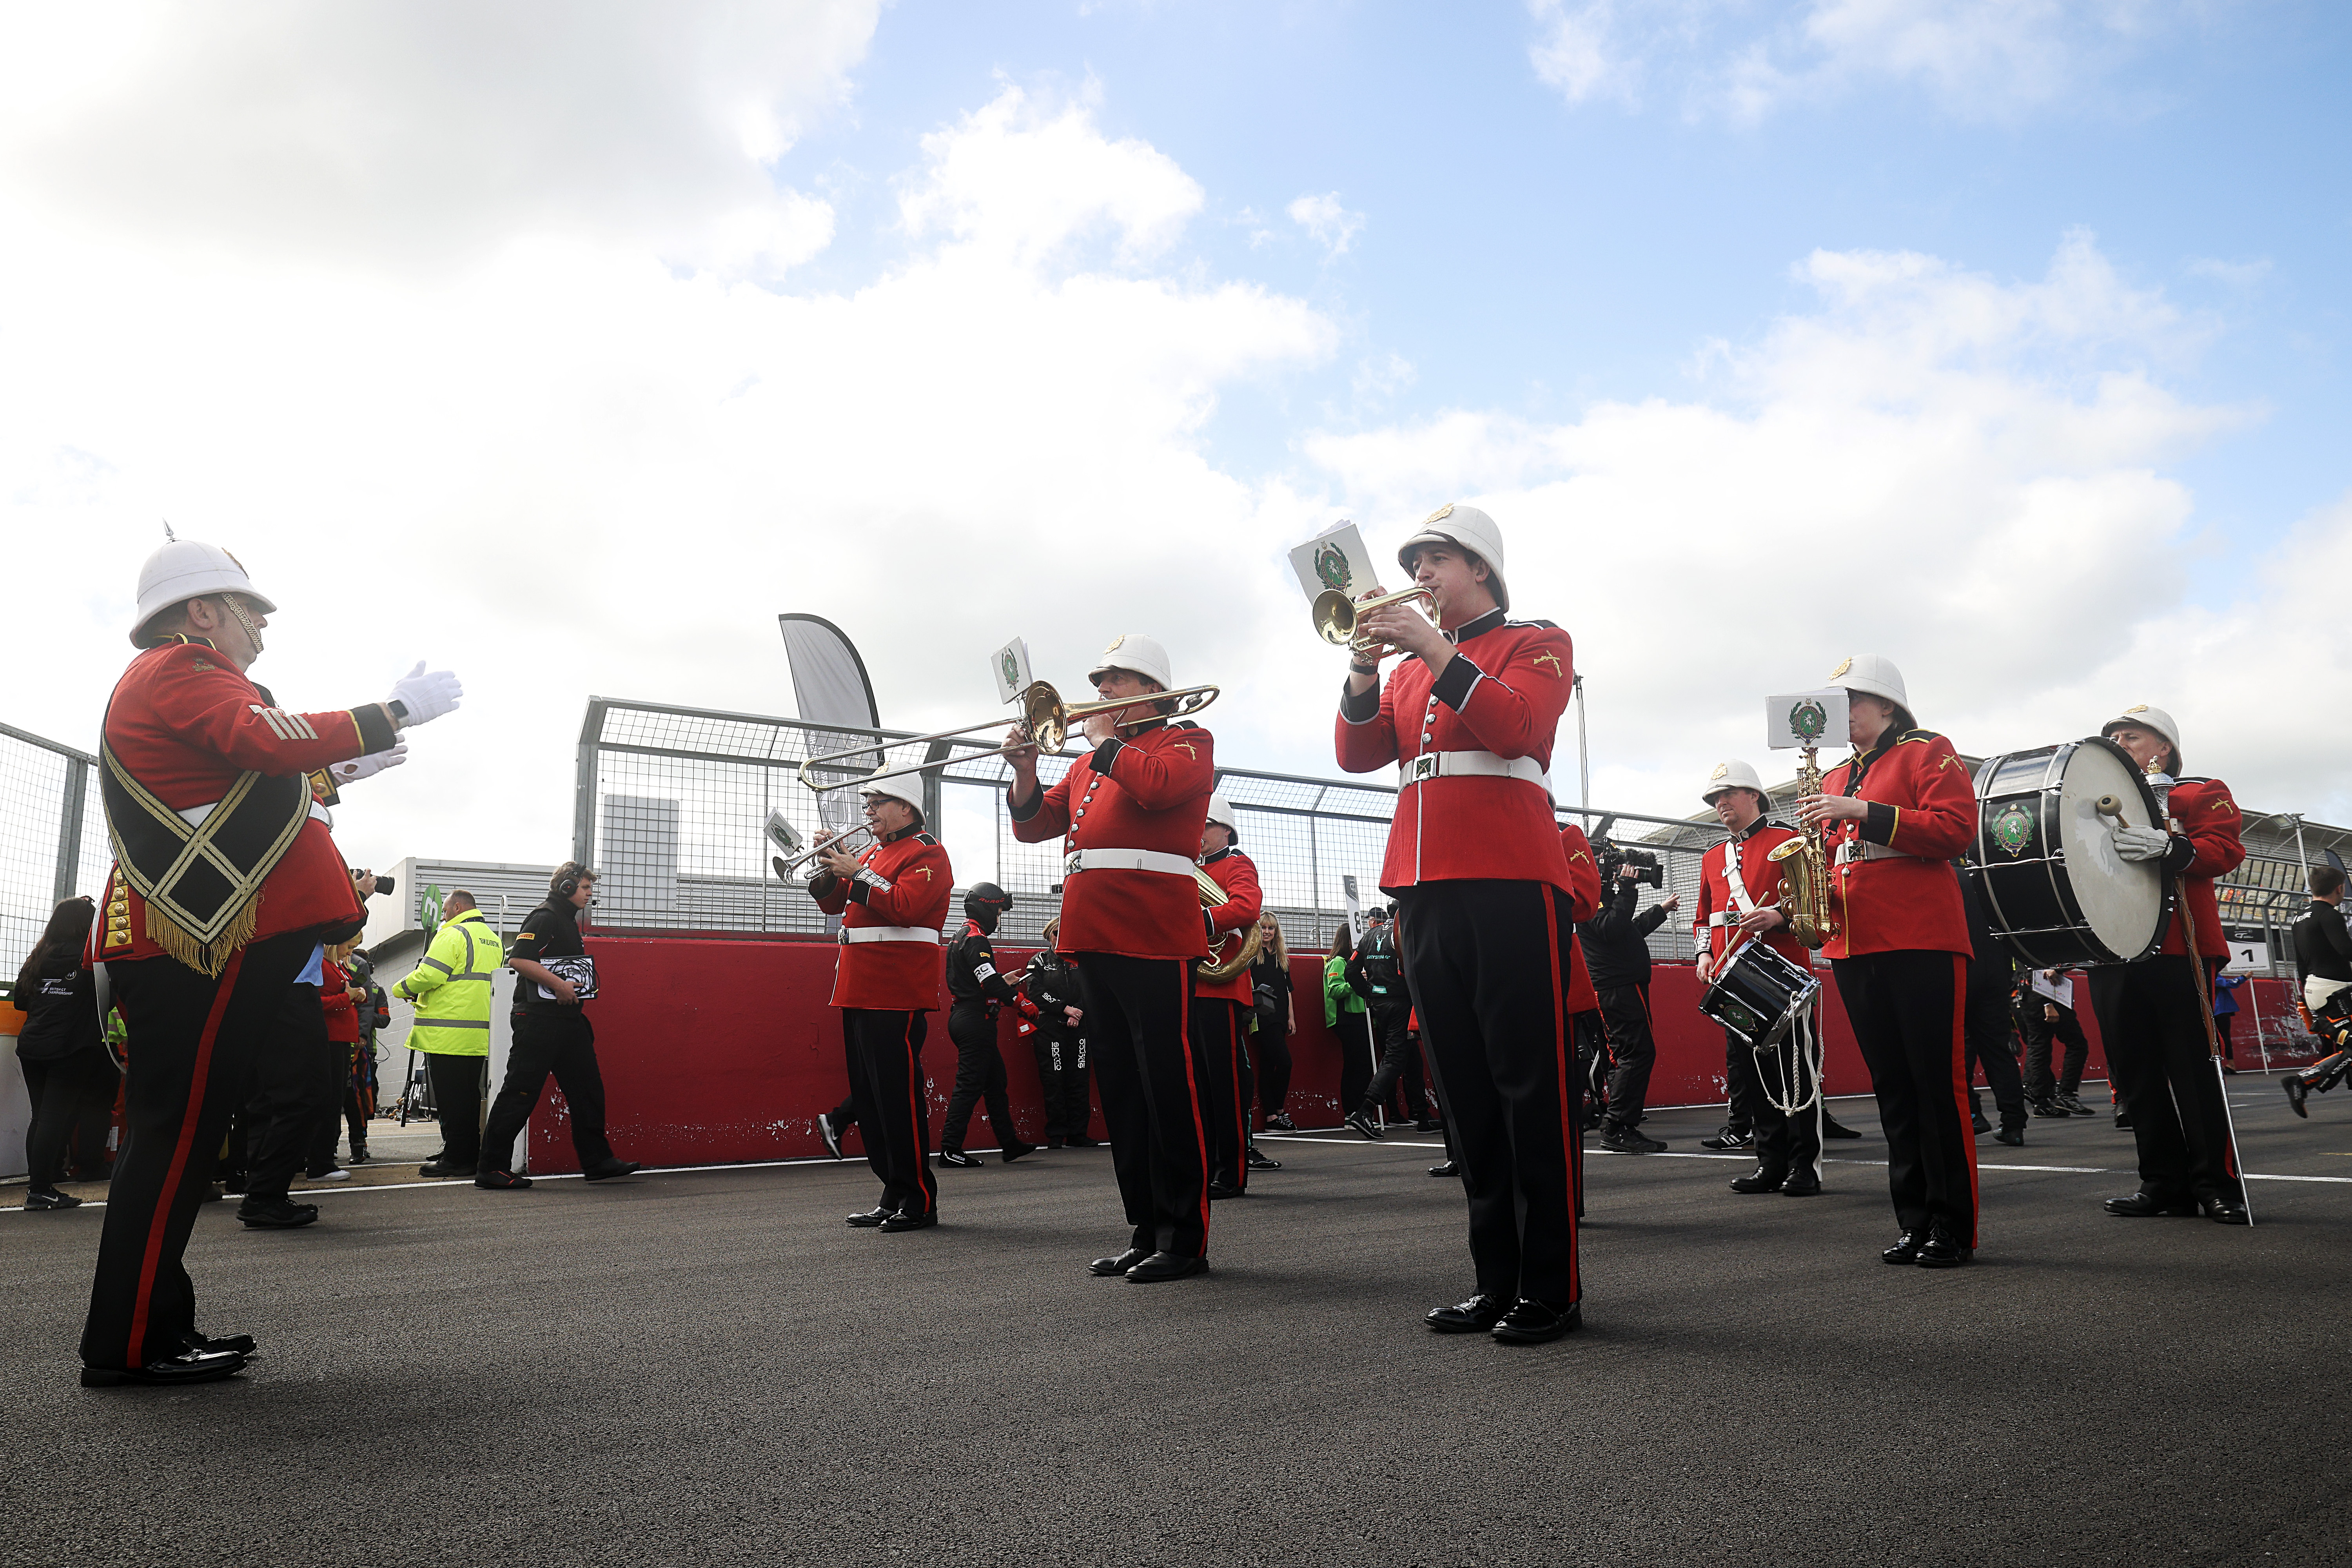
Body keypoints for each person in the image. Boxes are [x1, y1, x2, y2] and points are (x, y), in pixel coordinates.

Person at [80, 536, 457, 1387]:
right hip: (196, 943)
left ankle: (150, 1328)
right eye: (252, 609)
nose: (262, 627)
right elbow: (255, 738)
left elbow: (239, 792)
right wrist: (389, 711)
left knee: (180, 1136)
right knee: (174, 1139)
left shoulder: (179, 678)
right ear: (203, 610)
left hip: (202, 939)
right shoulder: (182, 666)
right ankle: (132, 1339)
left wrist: (341, 765)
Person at [1337, 502, 1584, 1343]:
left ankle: (1551, 1285)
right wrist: (1367, 668)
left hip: (1512, 881)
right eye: (1416, 560)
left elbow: (1518, 728)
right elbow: (1358, 754)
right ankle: (1496, 1279)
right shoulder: (1410, 668)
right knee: (1467, 1093)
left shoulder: (1538, 639)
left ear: (1480, 566)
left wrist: (1433, 648)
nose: (1420, 574)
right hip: (1422, 884)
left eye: (1435, 558)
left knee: (1529, 1086)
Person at [1006, 632, 1217, 1283]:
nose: (1099, 693)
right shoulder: (1089, 761)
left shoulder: (1186, 740)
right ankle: (1146, 1227)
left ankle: (1185, 1237)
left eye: (1116, 681)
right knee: (1122, 1089)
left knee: (1167, 1086)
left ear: (1153, 690)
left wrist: (1102, 742)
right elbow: (1035, 824)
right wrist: (1022, 771)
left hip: (1153, 931)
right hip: (1093, 932)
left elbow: (1155, 790)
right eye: (1099, 683)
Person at [1796, 654, 1978, 1269]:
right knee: (1893, 1089)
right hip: (1855, 939)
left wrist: (1862, 812)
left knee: (1936, 1084)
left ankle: (1953, 1224)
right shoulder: (1837, 773)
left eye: (1852, 702)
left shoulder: (1927, 750)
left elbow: (1955, 830)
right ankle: (1916, 1219)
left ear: (1887, 707)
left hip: (1920, 933)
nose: (1841, 716)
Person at [2087, 705, 2248, 1223]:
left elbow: (2224, 849)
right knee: (2134, 1073)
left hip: (2180, 945)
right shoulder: (2086, 803)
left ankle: (2215, 1183)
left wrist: (2173, 847)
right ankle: (2162, 1182)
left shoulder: (2198, 792)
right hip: (2112, 947)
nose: (2118, 743)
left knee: (2193, 1070)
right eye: (2111, 737)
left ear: (2163, 748)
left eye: (2130, 737)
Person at [804, 772, 952, 1229]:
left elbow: (906, 906)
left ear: (905, 808)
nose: (867, 811)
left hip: (896, 988)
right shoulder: (871, 852)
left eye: (876, 803)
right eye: (867, 803)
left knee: (897, 1099)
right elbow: (833, 905)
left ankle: (919, 1197)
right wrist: (830, 866)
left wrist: (857, 872)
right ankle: (892, 1188)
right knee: (869, 1097)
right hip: (859, 984)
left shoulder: (928, 850)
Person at [1691, 760, 1825, 1195]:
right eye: (1715, 798)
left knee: (1795, 1074)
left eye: (1729, 793)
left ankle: (1805, 1165)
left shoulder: (1788, 840)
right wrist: (1704, 954)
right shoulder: (1712, 857)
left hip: (1782, 977)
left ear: (1755, 796)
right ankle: (1770, 1162)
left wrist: (1779, 916)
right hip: (1733, 981)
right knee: (1753, 1075)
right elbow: (1702, 919)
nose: (1721, 803)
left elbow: (1816, 905)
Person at [477, 864, 644, 1192]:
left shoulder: (565, 921)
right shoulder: (545, 917)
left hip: (566, 1022)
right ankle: (491, 1168)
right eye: (585, 888)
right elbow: (520, 960)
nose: (589, 894)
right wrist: (560, 986)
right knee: (520, 1092)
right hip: (538, 1021)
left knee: (588, 1090)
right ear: (566, 887)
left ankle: (597, 1161)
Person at [13, 897, 116, 1211]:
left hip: (32, 1047)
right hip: (70, 1049)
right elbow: (108, 1001)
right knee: (54, 1120)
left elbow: (20, 1001)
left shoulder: (39, 956)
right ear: (88, 925)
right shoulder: (90, 961)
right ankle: (40, 1190)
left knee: (41, 1118)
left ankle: (43, 1181)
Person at [1581, 833, 1678, 1156]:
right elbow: (1610, 927)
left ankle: (1621, 1125)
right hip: (1615, 987)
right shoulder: (1588, 894)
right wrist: (1627, 888)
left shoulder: (1605, 894)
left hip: (1623, 985)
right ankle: (1619, 1127)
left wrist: (1659, 911)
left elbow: (1627, 932)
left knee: (1634, 1053)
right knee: (1634, 1054)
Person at [394, 889, 502, 1179]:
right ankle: (467, 1154)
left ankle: (457, 1159)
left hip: (447, 1035)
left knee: (452, 1101)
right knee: (467, 1098)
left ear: (457, 907)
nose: (442, 917)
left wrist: (400, 988)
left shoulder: (453, 935)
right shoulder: (493, 940)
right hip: (476, 1036)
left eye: (444, 912)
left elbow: (429, 975)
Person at [1194, 794, 1267, 1197]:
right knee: (1198, 1087)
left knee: (1225, 1085)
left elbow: (1246, 906)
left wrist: (1201, 919)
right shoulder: (1184, 869)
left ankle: (1232, 1172)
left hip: (1220, 987)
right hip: (1189, 985)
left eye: (1205, 825)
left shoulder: (1236, 863)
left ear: (1225, 829)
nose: (1199, 833)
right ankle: (1205, 1168)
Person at [938, 883, 1040, 1168]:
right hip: (975, 1022)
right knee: (969, 1085)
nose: (998, 918)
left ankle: (1010, 1145)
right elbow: (988, 982)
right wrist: (1022, 1001)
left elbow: (982, 980)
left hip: (966, 1017)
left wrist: (1000, 983)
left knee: (995, 1082)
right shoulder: (976, 939)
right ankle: (950, 1149)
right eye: (997, 911)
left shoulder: (960, 936)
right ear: (986, 907)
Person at [1960, 876, 2029, 1149]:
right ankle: (2014, 1124)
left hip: (1962, 968)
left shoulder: (1942, 877)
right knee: (1999, 1052)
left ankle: (1972, 1113)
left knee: (1956, 1050)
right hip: (1995, 973)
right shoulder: (1989, 881)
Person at [1346, 909, 1429, 1134]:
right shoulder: (1404, 931)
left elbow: (1350, 971)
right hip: (1401, 1004)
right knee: (1395, 1058)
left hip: (1380, 1005)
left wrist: (1368, 994)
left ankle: (1421, 1115)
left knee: (1406, 1058)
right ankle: (1365, 1110)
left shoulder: (1369, 936)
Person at [1018, 917, 1096, 1148]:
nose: (1060, 938)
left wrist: (1077, 1013)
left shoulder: (1082, 961)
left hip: (1079, 1026)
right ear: (1049, 936)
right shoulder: (1038, 961)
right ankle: (1056, 1134)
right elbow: (1036, 993)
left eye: (1065, 933)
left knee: (1079, 1080)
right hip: (1049, 1028)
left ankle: (1078, 1134)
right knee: (1054, 1078)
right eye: (1056, 934)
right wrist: (1065, 1010)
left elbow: (1092, 991)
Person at [2286, 865, 2352, 1116]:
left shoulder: (2299, 918)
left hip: (2316, 987)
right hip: (2335, 990)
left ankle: (2305, 1082)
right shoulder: (2330, 915)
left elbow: (2301, 961)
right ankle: (2303, 1081)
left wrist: (2304, 997)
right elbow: (2346, 950)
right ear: (2340, 888)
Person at [2017, 966, 2092, 1118]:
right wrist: (2047, 1003)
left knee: (2038, 1048)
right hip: (2047, 996)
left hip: (2028, 995)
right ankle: (2067, 1095)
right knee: (2077, 1045)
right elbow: (2035, 967)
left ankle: (2042, 1102)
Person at [1246, 913, 1295, 1133]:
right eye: (1263, 928)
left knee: (1267, 1066)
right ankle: (1279, 1111)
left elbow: (1288, 990)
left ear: (1276, 932)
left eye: (1271, 929)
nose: (1267, 932)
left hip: (1280, 1018)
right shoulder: (1252, 956)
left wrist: (1291, 1017)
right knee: (1285, 1063)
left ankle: (1271, 1117)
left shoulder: (1281, 957)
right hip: (1262, 1017)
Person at [1325, 927, 1375, 1117]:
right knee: (1356, 1064)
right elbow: (1335, 991)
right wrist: (1355, 982)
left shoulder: (1356, 963)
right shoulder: (1338, 962)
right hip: (1346, 1019)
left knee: (1361, 1064)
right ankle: (1353, 1110)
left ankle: (1358, 1109)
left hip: (1359, 1017)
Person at [2211, 971, 2245, 1071]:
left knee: (2217, 1038)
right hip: (2220, 1010)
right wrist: (2244, 977)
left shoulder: (2204, 974)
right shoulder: (2213, 975)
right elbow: (2230, 984)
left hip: (2215, 1010)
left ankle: (2222, 1064)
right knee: (2224, 1037)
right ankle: (2230, 1063)